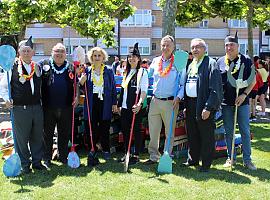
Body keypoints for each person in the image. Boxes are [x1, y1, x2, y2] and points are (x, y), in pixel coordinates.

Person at [0, 36, 46, 174]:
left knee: (37, 136)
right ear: (19, 52)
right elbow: (3, 86)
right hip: (20, 108)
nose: (26, 53)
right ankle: (25, 164)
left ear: (33, 53)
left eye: (29, 50)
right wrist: (7, 99)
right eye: (24, 50)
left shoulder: (37, 67)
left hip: (37, 107)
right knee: (21, 139)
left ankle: (37, 162)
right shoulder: (11, 67)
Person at [180, 38, 223, 172]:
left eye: (198, 47)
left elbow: (215, 88)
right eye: (193, 47)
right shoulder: (192, 63)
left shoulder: (210, 63)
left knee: (206, 136)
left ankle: (206, 164)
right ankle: (193, 159)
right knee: (192, 134)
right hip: (191, 104)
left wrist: (208, 107)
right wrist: (186, 106)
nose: (195, 50)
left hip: (203, 105)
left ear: (205, 49)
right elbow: (188, 86)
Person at [217, 32, 257, 170]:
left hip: (242, 102)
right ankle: (231, 158)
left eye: (232, 45)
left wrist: (244, 95)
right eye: (227, 45)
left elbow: (253, 81)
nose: (229, 47)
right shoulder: (220, 61)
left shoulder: (246, 60)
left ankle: (247, 160)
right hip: (226, 103)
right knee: (229, 132)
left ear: (238, 46)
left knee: (245, 131)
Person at [39, 43, 78, 168]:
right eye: (57, 51)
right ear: (52, 52)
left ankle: (63, 156)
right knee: (47, 134)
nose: (59, 54)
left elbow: (76, 84)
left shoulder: (71, 67)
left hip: (66, 106)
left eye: (62, 51)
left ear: (65, 54)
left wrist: (77, 96)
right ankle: (46, 158)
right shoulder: (43, 64)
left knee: (64, 133)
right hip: (48, 106)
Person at [145, 35, 181, 164]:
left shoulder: (179, 62)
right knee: (153, 131)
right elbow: (147, 77)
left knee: (169, 133)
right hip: (155, 101)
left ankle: (166, 157)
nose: (165, 48)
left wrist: (179, 97)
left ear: (173, 47)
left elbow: (182, 83)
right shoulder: (155, 61)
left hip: (171, 102)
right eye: (163, 45)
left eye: (168, 45)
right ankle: (153, 156)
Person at [79, 47, 117, 162]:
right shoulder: (87, 70)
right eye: (94, 56)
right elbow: (81, 88)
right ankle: (93, 149)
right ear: (91, 57)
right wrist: (81, 81)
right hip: (91, 101)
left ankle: (106, 150)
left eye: (99, 56)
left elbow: (113, 88)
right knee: (92, 127)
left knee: (105, 127)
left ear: (103, 57)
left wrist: (114, 103)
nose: (97, 58)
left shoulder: (109, 70)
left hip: (105, 101)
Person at [117, 43, 148, 165]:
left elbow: (144, 90)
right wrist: (119, 105)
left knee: (135, 130)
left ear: (139, 58)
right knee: (125, 130)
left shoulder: (142, 72)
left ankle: (136, 154)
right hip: (125, 107)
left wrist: (140, 103)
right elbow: (123, 90)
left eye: (134, 56)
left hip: (136, 107)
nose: (131, 58)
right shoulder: (126, 72)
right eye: (129, 56)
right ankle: (127, 152)